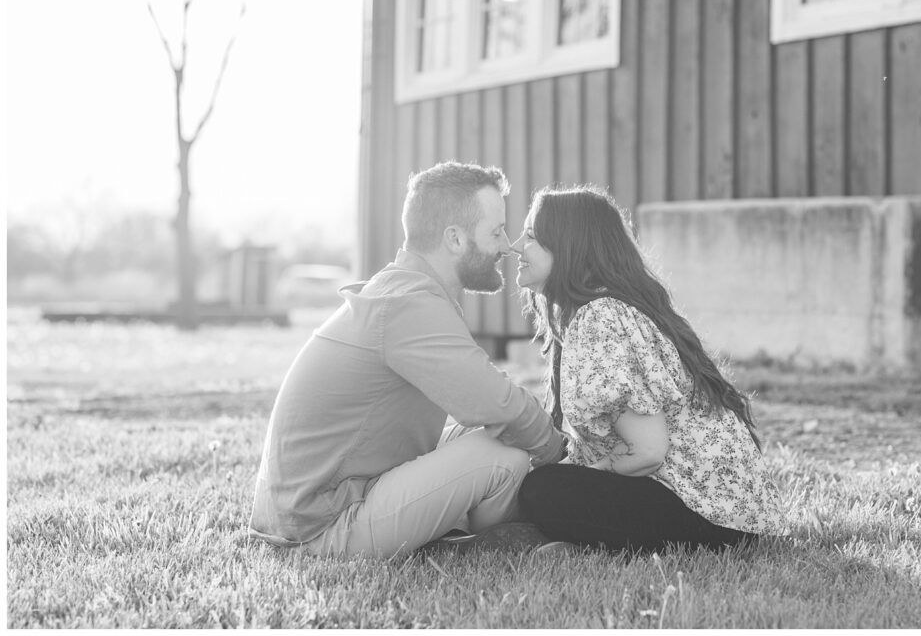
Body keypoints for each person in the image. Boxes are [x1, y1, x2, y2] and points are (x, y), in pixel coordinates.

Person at [248, 161, 564, 558]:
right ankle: (500, 540)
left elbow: (487, 395)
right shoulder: (409, 303)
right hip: (320, 528)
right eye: (496, 231)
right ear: (454, 238)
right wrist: (560, 454)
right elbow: (497, 403)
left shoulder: (408, 290)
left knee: (496, 439)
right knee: (504, 455)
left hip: (332, 499)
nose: (507, 246)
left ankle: (480, 532)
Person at [511, 185, 787, 554]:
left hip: (711, 517)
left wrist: (584, 475)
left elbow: (648, 453)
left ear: (568, 246)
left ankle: (585, 543)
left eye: (530, 236)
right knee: (548, 482)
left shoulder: (601, 316)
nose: (516, 246)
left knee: (543, 490)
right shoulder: (600, 310)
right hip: (734, 516)